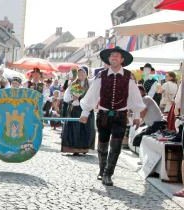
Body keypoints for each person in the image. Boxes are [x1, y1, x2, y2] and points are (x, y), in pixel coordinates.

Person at [79, 46, 145, 186]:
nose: (114, 57)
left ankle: (108, 174)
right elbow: (92, 93)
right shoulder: (101, 75)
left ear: (122, 59)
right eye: (112, 55)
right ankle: (102, 170)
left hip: (120, 115)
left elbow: (134, 96)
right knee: (102, 145)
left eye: (117, 55)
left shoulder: (129, 76)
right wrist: (85, 112)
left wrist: (137, 114)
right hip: (103, 114)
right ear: (109, 59)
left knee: (116, 147)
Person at [61, 66, 95, 155]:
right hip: (75, 110)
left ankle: (84, 148)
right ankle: (74, 149)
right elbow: (66, 97)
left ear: (86, 74)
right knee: (74, 130)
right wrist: (73, 97)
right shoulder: (73, 84)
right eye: (79, 73)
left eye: (83, 73)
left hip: (86, 110)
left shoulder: (90, 84)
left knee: (85, 129)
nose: (81, 74)